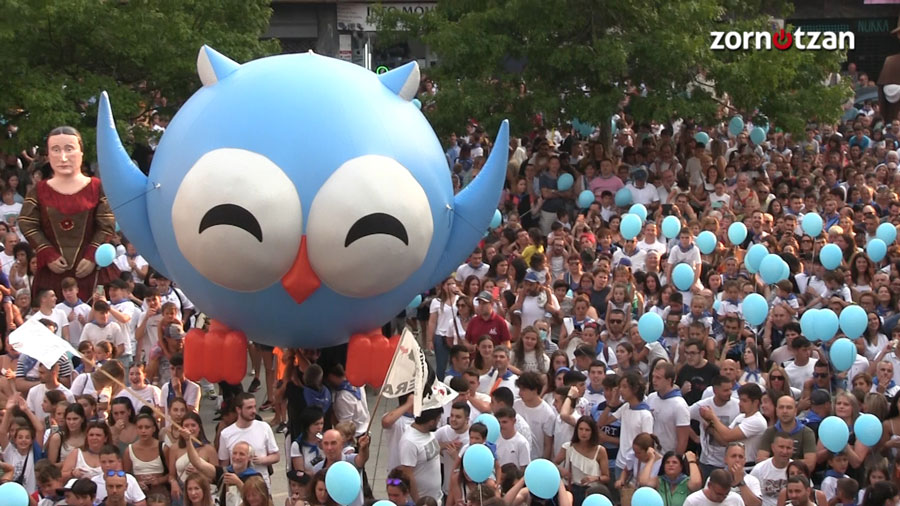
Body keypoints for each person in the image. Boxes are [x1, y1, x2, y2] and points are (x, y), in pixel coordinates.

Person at [19, 126, 119, 301]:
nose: (63, 157)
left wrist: (92, 256)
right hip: (52, 272)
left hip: (92, 270)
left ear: (81, 152)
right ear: (48, 155)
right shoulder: (39, 190)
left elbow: (107, 224)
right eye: (55, 150)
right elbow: (27, 222)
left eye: (69, 149)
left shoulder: (96, 187)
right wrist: (47, 252)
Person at [217, 393, 280, 487]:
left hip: (262, 485)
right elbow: (224, 464)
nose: (254, 411)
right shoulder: (226, 434)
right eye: (249, 408)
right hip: (236, 487)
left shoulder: (264, 427)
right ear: (238, 409)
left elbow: (276, 456)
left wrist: (262, 460)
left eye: (254, 407)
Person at [398, 407, 443, 502]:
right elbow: (407, 475)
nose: (438, 422)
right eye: (438, 419)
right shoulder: (409, 442)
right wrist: (418, 501)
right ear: (431, 422)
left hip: (435, 497)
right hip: (422, 501)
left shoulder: (428, 432)